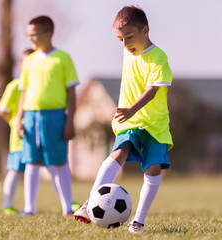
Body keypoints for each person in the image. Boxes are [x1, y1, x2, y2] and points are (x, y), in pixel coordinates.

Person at [74, 6, 173, 234]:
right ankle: (90, 203)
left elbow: (152, 91)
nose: (125, 44)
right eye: (120, 39)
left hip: (155, 124)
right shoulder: (128, 50)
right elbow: (128, 20)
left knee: (153, 170)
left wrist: (131, 109)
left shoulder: (159, 57)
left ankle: (138, 220)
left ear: (145, 31)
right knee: (118, 153)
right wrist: (128, 115)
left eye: (129, 36)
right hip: (129, 122)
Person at [16, 15, 79, 217]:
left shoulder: (63, 58)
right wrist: (19, 119)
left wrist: (70, 121)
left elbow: (71, 93)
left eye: (34, 34)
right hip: (31, 117)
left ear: (48, 33)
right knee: (31, 161)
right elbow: (23, 92)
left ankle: (67, 208)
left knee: (59, 161)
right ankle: (29, 208)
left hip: (56, 117)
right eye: (28, 35)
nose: (31, 38)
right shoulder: (29, 61)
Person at [0, 48, 34, 215]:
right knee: (15, 170)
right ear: (20, 64)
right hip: (18, 138)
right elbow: (2, 109)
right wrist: (14, 121)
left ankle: (67, 201)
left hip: (35, 135)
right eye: (25, 61)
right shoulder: (13, 86)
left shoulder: (37, 86)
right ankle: (7, 204)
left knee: (45, 167)